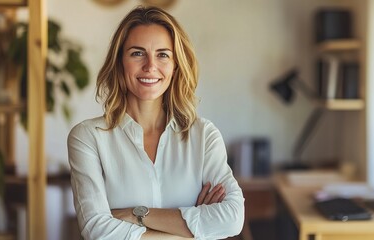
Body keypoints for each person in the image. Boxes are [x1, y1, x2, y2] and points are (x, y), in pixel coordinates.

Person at [67, 5, 245, 240]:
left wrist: (137, 214)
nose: (150, 66)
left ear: (175, 66)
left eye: (162, 54)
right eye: (137, 53)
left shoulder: (203, 136)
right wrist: (196, 231)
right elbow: (98, 231)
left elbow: (232, 219)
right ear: (120, 62)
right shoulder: (88, 137)